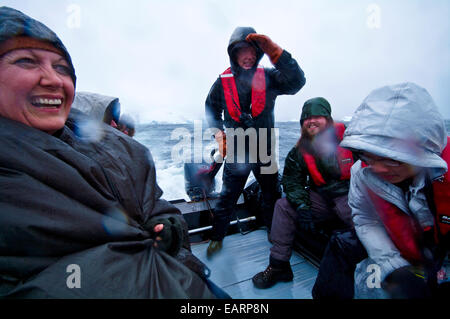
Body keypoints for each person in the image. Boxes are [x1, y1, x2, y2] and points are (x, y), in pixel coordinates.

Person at [0, 6, 226, 298]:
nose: (53, 79)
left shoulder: (114, 149)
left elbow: (154, 204)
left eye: (61, 67)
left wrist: (170, 230)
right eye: (26, 61)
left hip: (186, 280)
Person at [339, 82, 449, 298]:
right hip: (394, 252)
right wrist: (394, 268)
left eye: (393, 159)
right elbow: (365, 219)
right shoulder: (361, 174)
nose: (378, 169)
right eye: (368, 156)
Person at [204, 26, 306, 257]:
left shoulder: (269, 77)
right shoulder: (222, 82)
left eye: (253, 50)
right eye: (242, 51)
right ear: (233, 53)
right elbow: (211, 110)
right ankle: (216, 238)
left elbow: (297, 82)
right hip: (237, 151)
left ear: (259, 53)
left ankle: (274, 233)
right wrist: (219, 135)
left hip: (265, 150)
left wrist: (277, 53)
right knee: (226, 198)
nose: (248, 55)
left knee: (272, 194)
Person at [252, 97, 355, 288]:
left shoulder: (351, 140)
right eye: (306, 119)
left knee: (351, 212)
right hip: (322, 198)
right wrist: (302, 206)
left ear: (328, 119)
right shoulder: (299, 151)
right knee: (283, 206)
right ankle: (279, 266)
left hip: (353, 197)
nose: (311, 121)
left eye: (317, 116)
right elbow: (292, 181)